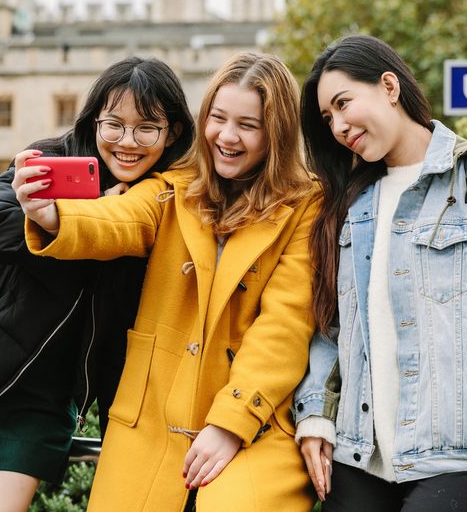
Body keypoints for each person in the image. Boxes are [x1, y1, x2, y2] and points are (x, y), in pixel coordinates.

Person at [0, 56, 195, 512]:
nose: (127, 142)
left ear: (172, 133)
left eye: (146, 128)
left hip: (42, 402)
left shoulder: (162, 203)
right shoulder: (52, 160)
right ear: (94, 121)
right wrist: (78, 210)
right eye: (113, 125)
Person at [18, 52, 319, 511]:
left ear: (276, 133)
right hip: (153, 415)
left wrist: (232, 422)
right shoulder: (174, 185)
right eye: (218, 118)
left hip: (255, 421)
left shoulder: (306, 204)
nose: (227, 136)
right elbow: (121, 218)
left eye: (248, 125)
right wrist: (53, 216)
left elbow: (286, 324)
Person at [293, 35, 467, 511]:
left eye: (343, 103)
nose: (338, 126)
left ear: (389, 86)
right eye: (328, 118)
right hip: (361, 454)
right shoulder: (349, 201)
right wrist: (316, 414)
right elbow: (332, 326)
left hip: (463, 452)